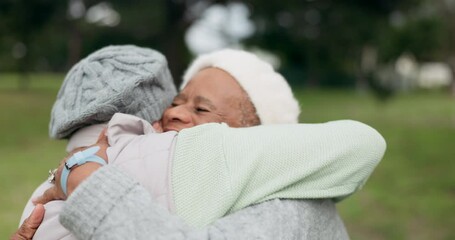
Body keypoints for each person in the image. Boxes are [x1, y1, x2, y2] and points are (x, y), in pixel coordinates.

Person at [14, 48, 385, 239]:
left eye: (202, 109)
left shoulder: (292, 213)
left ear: (257, 136)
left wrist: (87, 180)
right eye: (176, 101)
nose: (175, 113)